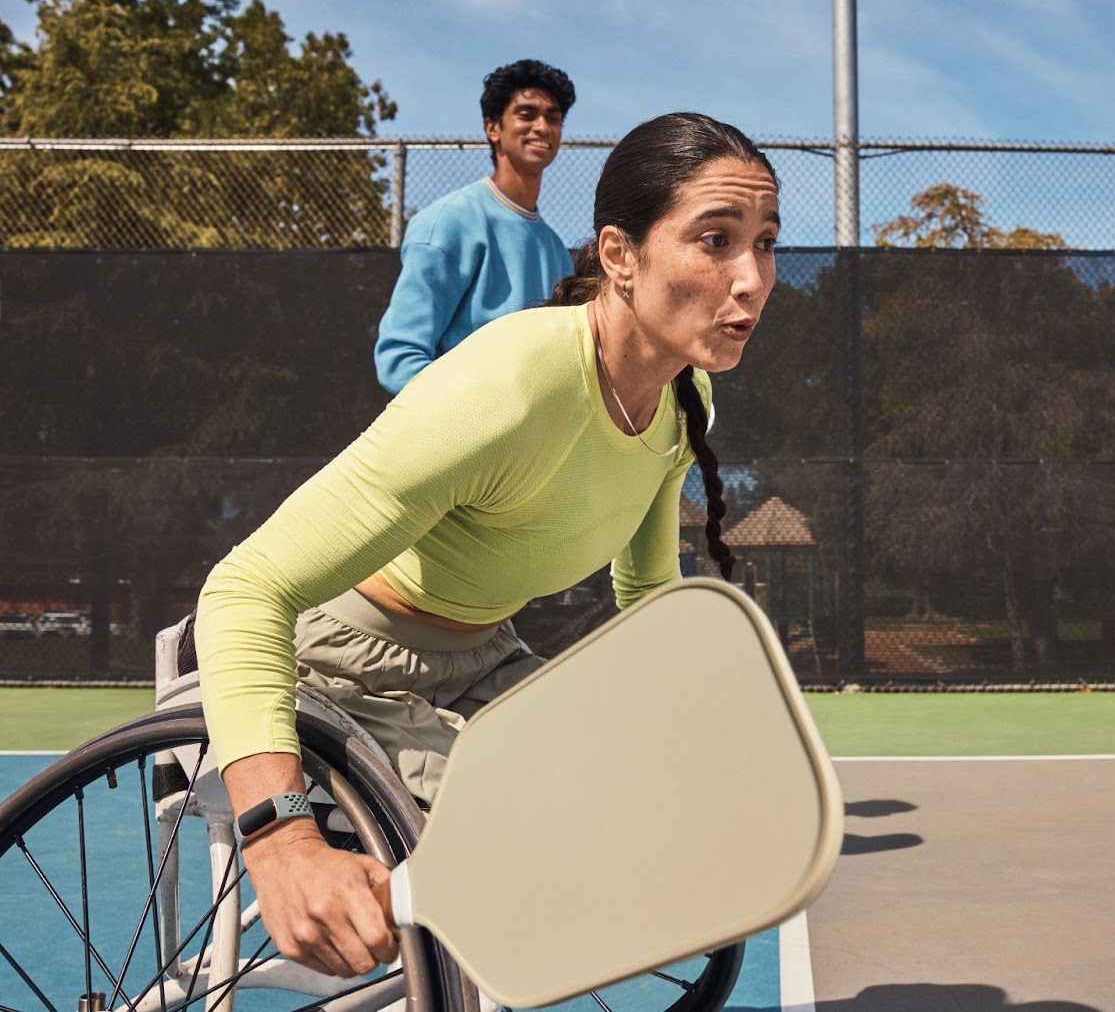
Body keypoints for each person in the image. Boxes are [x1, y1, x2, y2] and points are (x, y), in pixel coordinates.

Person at [195, 112, 780, 977]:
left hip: (483, 660)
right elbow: (245, 588)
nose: (753, 280)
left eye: (766, 243)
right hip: (340, 664)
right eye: (716, 240)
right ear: (619, 256)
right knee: (523, 849)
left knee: (637, 818)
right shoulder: (509, 385)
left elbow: (648, 589)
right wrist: (279, 838)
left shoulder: (685, 397)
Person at [373, 59, 577, 395]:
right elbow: (399, 359)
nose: (542, 127)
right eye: (527, 114)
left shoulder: (556, 250)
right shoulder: (446, 223)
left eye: (552, 118)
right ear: (493, 128)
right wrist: (477, 415)